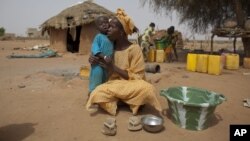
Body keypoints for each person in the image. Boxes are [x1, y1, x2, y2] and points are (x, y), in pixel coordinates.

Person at [86, 8, 162, 116]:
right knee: (97, 92)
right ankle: (129, 101)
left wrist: (113, 67)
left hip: (131, 85)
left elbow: (138, 76)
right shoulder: (109, 49)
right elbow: (104, 71)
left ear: (121, 32)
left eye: (112, 27)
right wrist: (93, 59)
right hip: (114, 85)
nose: (108, 29)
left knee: (147, 89)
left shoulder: (134, 49)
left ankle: (120, 100)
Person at [88, 16, 114, 94]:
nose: (104, 25)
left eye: (106, 23)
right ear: (97, 28)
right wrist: (104, 57)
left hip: (107, 64)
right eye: (101, 24)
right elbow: (95, 50)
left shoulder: (111, 37)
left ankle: (100, 95)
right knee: (97, 78)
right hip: (98, 63)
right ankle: (92, 94)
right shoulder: (98, 37)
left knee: (104, 79)